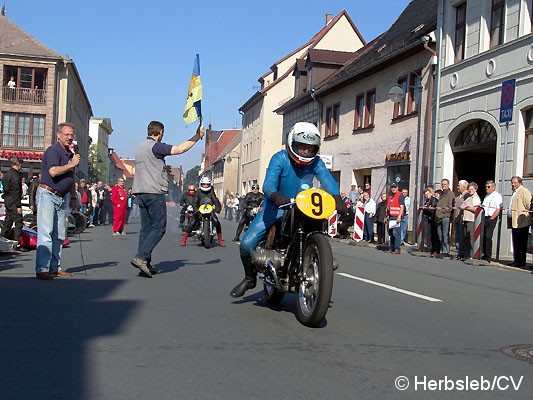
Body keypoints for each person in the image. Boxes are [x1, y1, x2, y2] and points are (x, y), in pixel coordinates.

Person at [230, 122, 347, 298]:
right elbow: (269, 183)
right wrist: (275, 195)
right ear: (292, 143)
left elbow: (326, 178)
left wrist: (337, 197)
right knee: (247, 243)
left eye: (310, 148)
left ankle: (319, 257)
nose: (306, 151)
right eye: (302, 146)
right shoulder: (280, 158)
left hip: (304, 208)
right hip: (276, 206)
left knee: (317, 230)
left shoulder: (316, 162)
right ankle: (249, 278)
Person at [130, 120, 205, 278]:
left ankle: (145, 264)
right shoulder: (156, 146)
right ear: (160, 132)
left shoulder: (140, 147)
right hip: (153, 192)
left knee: (146, 229)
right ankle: (141, 257)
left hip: (140, 191)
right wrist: (197, 136)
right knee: (159, 227)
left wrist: (163, 169)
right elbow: (180, 149)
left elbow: (148, 167)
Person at [35, 122, 80, 280]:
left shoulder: (70, 154)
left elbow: (70, 177)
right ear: (58, 135)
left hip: (62, 197)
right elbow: (53, 171)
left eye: (71, 135)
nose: (69, 138)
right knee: (46, 233)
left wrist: (73, 196)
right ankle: (42, 268)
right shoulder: (53, 151)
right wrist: (72, 164)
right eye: (66, 134)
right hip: (48, 194)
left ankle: (55, 267)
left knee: (59, 234)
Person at [180, 176, 226, 247]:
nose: (205, 186)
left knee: (216, 222)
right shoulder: (198, 192)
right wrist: (196, 210)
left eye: (207, 184)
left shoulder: (211, 191)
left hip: (209, 209)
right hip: (200, 209)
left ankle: (220, 240)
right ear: (201, 184)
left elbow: (215, 200)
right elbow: (195, 202)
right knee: (192, 223)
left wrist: (218, 208)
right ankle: (184, 239)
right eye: (204, 184)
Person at [0, 157, 26, 251]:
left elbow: (6, 188)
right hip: (14, 201)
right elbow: (16, 191)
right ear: (18, 164)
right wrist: (19, 206)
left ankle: (3, 240)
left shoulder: (6, 175)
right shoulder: (15, 176)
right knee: (18, 222)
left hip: (8, 200)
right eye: (21, 165)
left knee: (8, 221)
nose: (21, 167)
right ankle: (17, 243)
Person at [507, 176, 531, 268]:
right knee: (516, 242)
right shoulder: (515, 192)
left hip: (522, 221)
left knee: (521, 243)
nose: (513, 184)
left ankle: (521, 261)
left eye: (515, 182)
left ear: (520, 183)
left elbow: (528, 204)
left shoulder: (523, 191)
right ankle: (516, 260)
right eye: (512, 182)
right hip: (515, 221)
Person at [481, 180, 502, 262]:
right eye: (486, 186)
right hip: (484, 217)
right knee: (483, 236)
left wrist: (492, 218)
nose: (486, 188)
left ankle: (488, 256)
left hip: (491, 218)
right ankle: (484, 254)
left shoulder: (497, 196)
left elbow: (498, 208)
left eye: (488, 187)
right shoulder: (486, 196)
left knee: (488, 237)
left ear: (493, 187)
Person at [461, 182, 481, 261]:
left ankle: (473, 254)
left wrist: (466, 208)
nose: (470, 191)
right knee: (466, 238)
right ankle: (467, 255)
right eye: (469, 190)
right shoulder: (469, 197)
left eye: (472, 189)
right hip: (466, 218)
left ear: (475, 190)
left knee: (471, 238)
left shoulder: (476, 198)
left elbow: (476, 209)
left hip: (471, 219)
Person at [435, 178, 454, 258]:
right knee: (440, 235)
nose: (443, 186)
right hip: (438, 217)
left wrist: (445, 214)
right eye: (442, 184)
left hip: (445, 216)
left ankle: (446, 251)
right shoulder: (441, 193)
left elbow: (450, 206)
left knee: (445, 234)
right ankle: (442, 250)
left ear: (448, 185)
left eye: (445, 184)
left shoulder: (450, 194)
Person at [384, 183, 404, 254]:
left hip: (396, 217)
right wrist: (386, 216)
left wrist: (399, 216)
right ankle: (391, 248)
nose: (393, 189)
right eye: (392, 187)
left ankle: (397, 249)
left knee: (396, 233)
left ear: (397, 188)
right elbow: (388, 207)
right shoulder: (390, 196)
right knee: (391, 233)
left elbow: (402, 207)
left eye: (394, 187)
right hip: (391, 217)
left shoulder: (400, 195)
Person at [453, 180, 469, 260]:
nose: (457, 187)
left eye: (459, 185)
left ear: (464, 186)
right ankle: (459, 252)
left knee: (462, 237)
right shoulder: (458, 195)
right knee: (457, 236)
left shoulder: (467, 196)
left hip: (462, 219)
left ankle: (462, 253)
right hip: (456, 218)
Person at [422, 188, 439, 257]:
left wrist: (427, 210)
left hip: (434, 220)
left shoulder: (434, 200)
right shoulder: (427, 201)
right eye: (425, 194)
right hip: (429, 220)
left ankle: (435, 250)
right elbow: (424, 210)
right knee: (430, 235)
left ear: (431, 193)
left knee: (435, 235)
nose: (427, 195)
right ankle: (431, 249)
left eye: (428, 194)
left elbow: (432, 210)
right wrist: (426, 209)